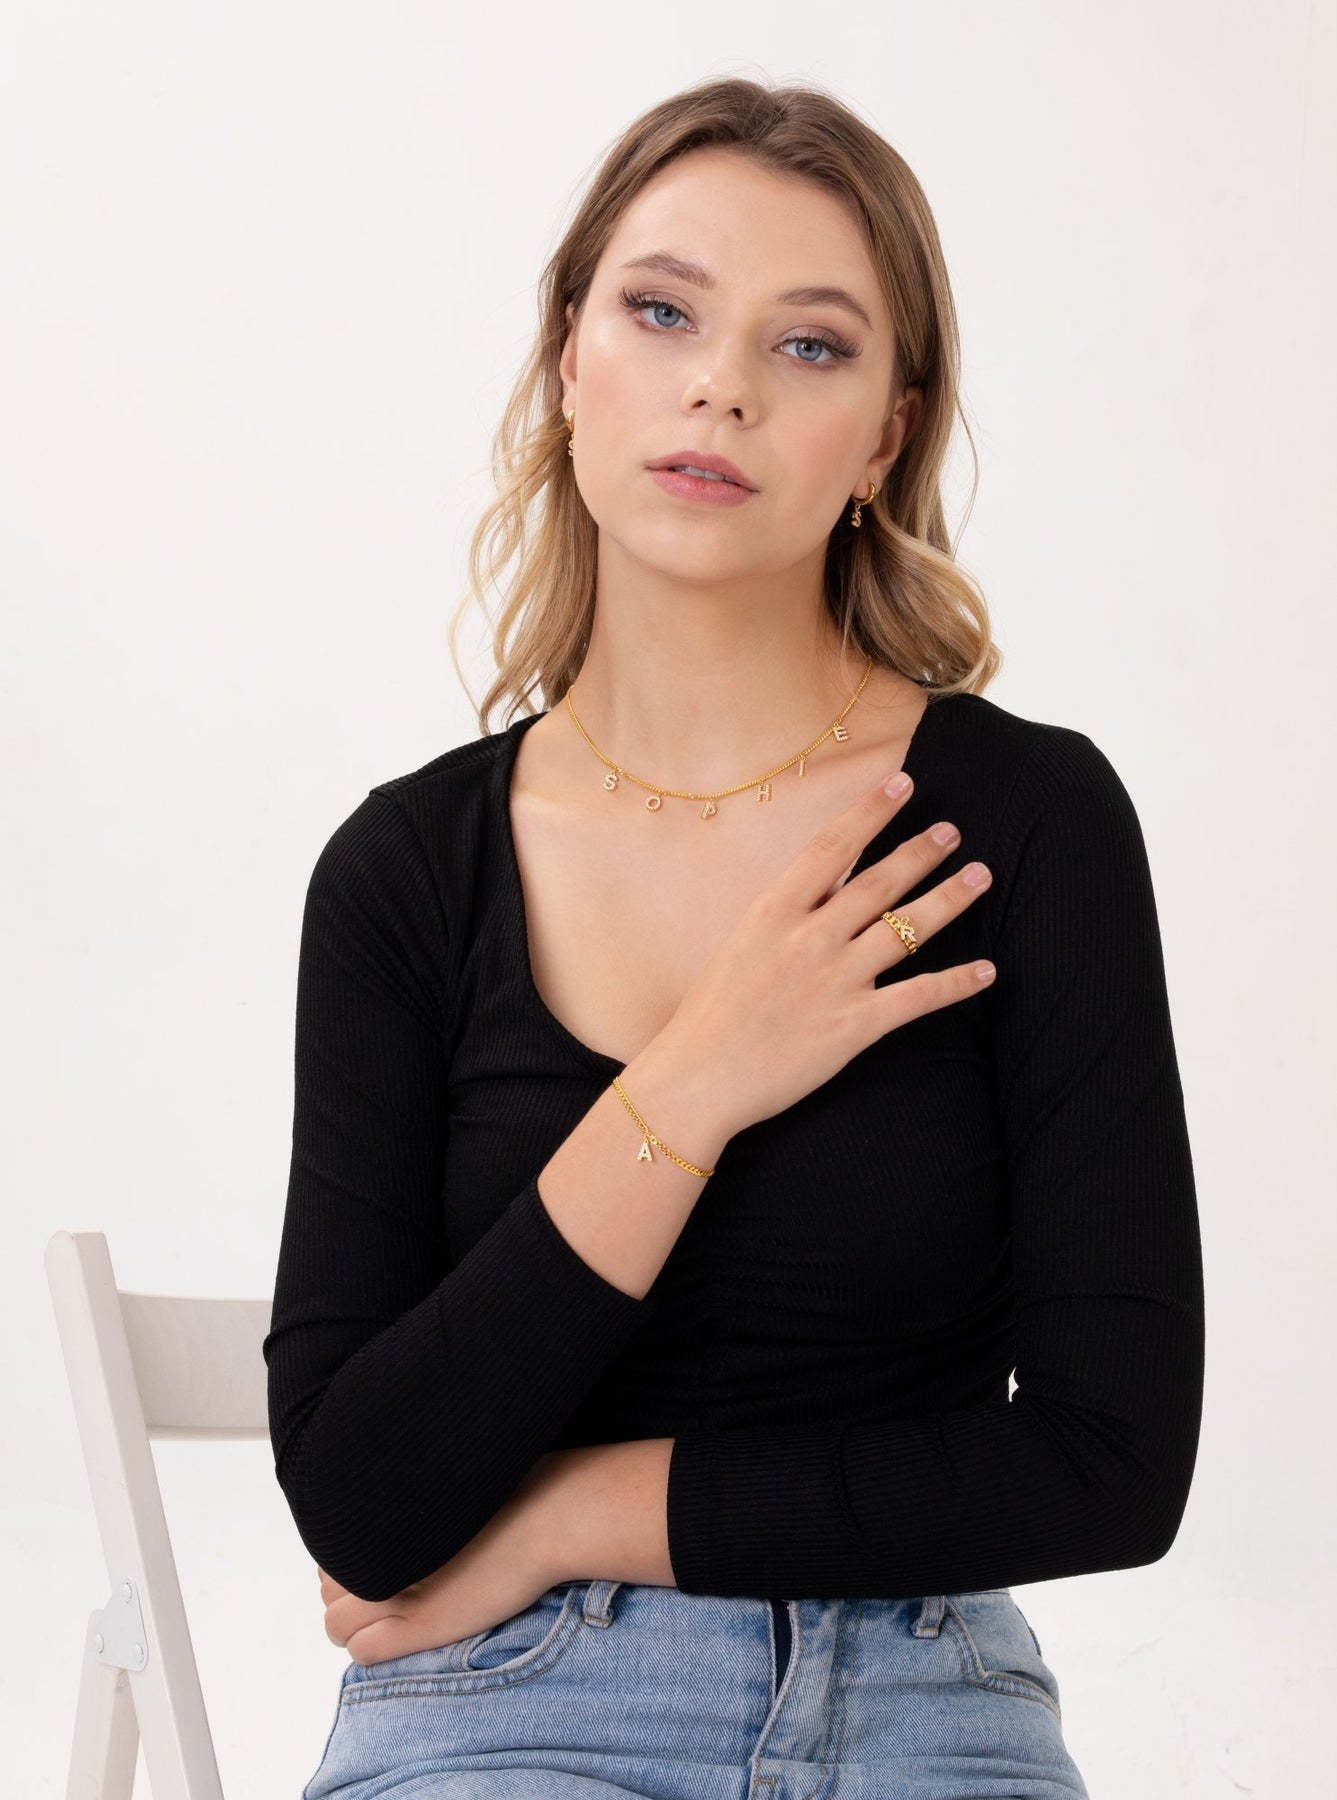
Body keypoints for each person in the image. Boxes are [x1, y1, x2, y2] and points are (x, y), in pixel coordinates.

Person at [264, 75, 1204, 1799]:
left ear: (885, 440)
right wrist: (696, 1079)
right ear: (566, 363)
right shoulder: (405, 872)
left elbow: (1108, 1461)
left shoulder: (1023, 825)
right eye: (661, 311)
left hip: (924, 1693)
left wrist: (559, 1514)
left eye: (809, 345)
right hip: (509, 1706)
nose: (721, 384)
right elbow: (363, 1505)